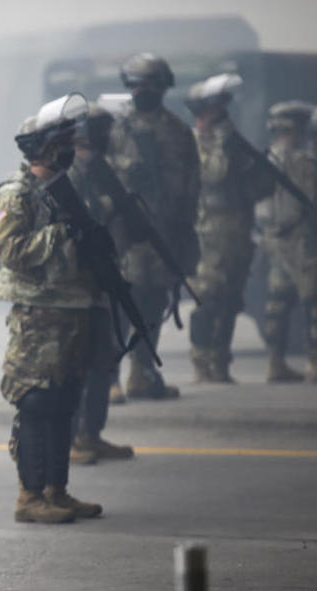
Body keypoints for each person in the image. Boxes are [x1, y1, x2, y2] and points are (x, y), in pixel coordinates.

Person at [0, 94, 103, 523]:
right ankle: (30, 497)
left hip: (71, 309)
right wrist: (59, 233)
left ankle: (57, 489)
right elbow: (12, 251)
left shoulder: (59, 191)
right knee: (36, 402)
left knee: (65, 399)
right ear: (46, 148)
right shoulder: (16, 196)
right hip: (38, 315)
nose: (71, 149)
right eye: (64, 142)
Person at [107, 53, 201, 400]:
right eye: (137, 84)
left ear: (164, 87)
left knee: (152, 306)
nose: (143, 89)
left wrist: (185, 232)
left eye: (151, 83)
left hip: (163, 233)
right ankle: (110, 379)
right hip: (124, 235)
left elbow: (192, 186)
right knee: (119, 306)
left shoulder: (179, 131)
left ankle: (142, 374)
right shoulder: (115, 129)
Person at [184, 74, 276, 382]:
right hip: (208, 231)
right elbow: (214, 175)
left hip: (237, 228)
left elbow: (260, 185)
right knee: (207, 297)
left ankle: (220, 360)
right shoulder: (198, 145)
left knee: (231, 298)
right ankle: (201, 361)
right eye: (214, 110)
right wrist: (224, 141)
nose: (220, 116)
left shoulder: (233, 142)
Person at [67, 103, 135, 462]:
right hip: (78, 284)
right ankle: (77, 436)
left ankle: (91, 433)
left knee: (102, 360)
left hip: (103, 277)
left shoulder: (99, 171)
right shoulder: (72, 174)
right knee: (80, 364)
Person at [259, 101, 317, 382]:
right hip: (303, 240)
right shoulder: (305, 161)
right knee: (315, 303)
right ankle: (316, 363)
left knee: (277, 301)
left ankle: (275, 362)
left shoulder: (265, 158)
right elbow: (315, 199)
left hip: (273, 238)